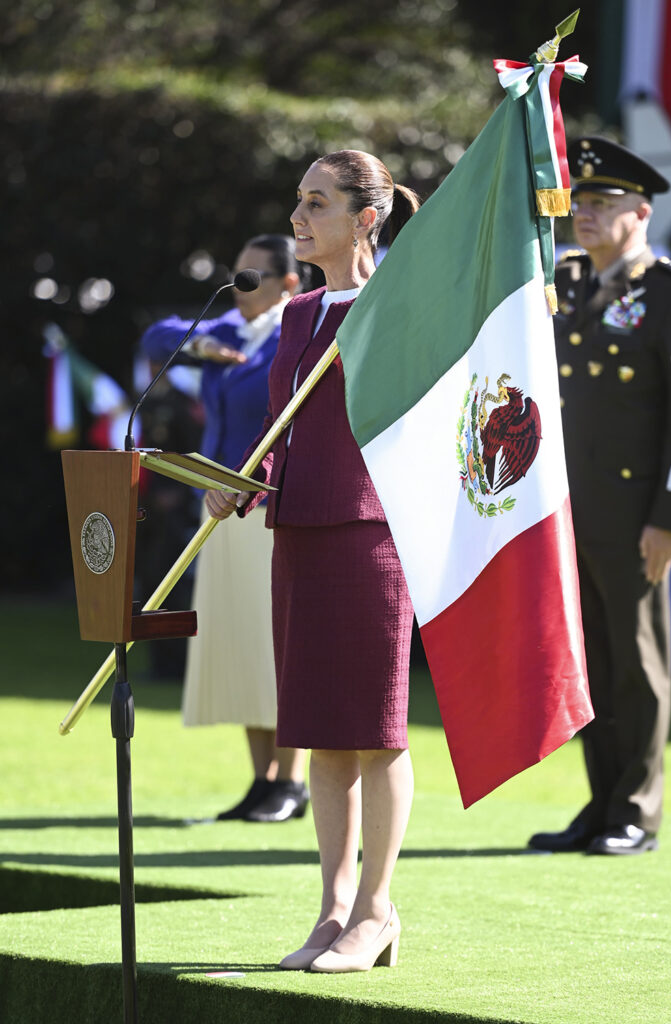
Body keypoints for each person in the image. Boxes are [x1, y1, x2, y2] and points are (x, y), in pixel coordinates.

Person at [206, 150, 420, 972]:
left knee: (374, 734)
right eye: (297, 199)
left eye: (317, 202)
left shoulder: (399, 307)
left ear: (366, 219)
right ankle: (332, 912)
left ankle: (376, 911)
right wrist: (241, 486)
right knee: (320, 732)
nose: (298, 217)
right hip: (295, 531)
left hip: (370, 534)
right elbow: (277, 435)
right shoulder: (296, 317)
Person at [528, 136, 671, 856]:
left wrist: (668, 517)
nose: (583, 214)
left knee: (636, 663)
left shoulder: (666, 292)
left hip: (632, 516)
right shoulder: (561, 282)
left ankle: (635, 810)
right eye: (578, 202)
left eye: (601, 203)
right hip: (565, 511)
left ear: (641, 212)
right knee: (584, 662)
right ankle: (598, 803)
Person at [140, 234, 310, 823]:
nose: (241, 288)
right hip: (216, 512)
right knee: (239, 647)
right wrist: (205, 344)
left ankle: (292, 782)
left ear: (290, 283)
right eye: (237, 275)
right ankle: (261, 781)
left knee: (276, 649)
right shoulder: (233, 334)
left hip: (269, 510)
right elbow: (157, 334)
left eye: (253, 277)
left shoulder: (299, 333)